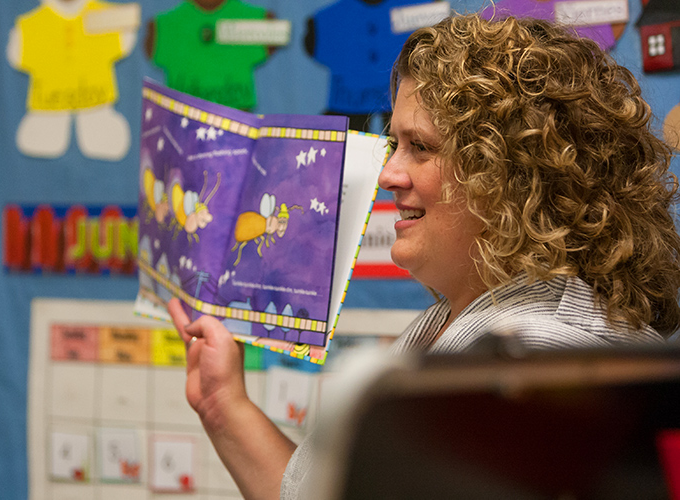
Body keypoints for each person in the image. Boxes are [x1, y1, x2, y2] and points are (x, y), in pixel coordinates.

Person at [168, 12, 680, 500]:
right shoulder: (460, 326)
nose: (389, 174)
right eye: (395, 144)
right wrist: (224, 406)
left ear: (511, 176)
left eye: (421, 147)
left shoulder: (542, 368)